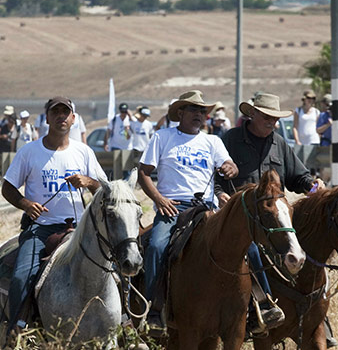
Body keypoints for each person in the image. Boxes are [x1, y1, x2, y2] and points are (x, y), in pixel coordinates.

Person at [214, 92, 324, 334]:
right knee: (247, 255)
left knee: (306, 252)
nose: (271, 122)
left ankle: (317, 317)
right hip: (240, 221)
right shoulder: (230, 140)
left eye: (275, 118)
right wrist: (219, 192)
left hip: (274, 221)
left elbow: (299, 176)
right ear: (252, 114)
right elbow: (212, 175)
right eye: (266, 116)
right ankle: (258, 308)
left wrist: (311, 186)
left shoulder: (280, 143)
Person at [1, 95, 106, 331]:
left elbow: (104, 189)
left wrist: (89, 181)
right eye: (55, 112)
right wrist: (26, 204)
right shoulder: (30, 152)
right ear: (47, 117)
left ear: (73, 119)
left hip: (81, 228)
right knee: (21, 275)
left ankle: (123, 323)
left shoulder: (84, 152)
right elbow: (8, 187)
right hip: (41, 229)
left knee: (115, 265)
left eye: (66, 113)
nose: (61, 117)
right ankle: (16, 327)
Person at [138, 90, 238, 332]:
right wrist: (160, 200)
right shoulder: (162, 138)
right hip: (172, 207)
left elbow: (229, 165)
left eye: (202, 111)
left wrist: (229, 167)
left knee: (244, 244)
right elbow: (143, 173)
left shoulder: (213, 141)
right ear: (180, 113)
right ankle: (153, 308)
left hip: (206, 208)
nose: (199, 115)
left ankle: (258, 303)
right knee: (157, 246)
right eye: (193, 109)